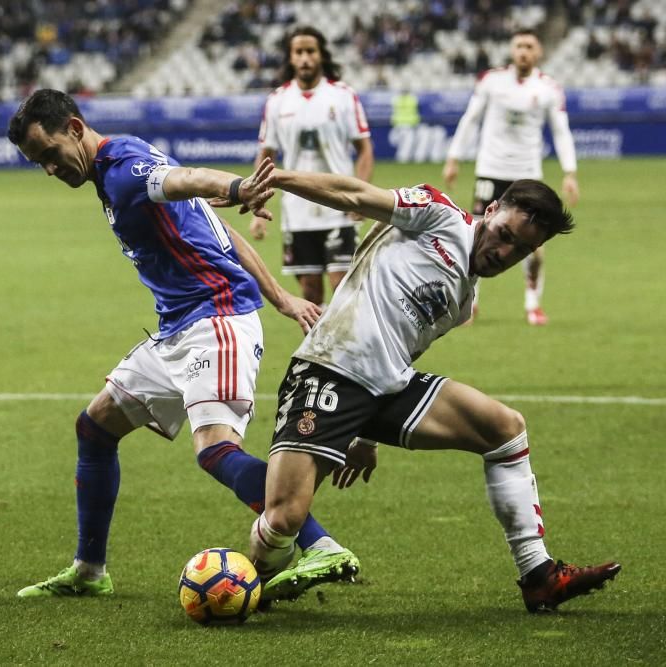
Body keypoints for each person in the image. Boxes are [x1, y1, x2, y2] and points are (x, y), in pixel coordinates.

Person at [5, 89, 360, 599]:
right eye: (38, 163)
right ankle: (89, 572)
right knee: (95, 428)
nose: (49, 170)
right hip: (177, 327)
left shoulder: (126, 169)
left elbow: (190, 179)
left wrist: (239, 187)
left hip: (215, 321)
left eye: (50, 155)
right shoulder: (116, 164)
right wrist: (281, 296)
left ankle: (321, 544)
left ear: (76, 129)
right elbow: (213, 227)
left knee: (215, 450)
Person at [244, 162, 621, 612]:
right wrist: (277, 180)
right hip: (328, 370)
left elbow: (408, 350)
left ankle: (538, 575)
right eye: (504, 234)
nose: (505, 252)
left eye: (521, 250)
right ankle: (254, 583)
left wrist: (364, 434)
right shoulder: (438, 214)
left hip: (388, 388)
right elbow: (352, 194)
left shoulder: (465, 299)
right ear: (492, 208)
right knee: (285, 515)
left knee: (505, 429)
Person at [443, 29, 579, 326]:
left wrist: (570, 172)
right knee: (477, 237)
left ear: (538, 52)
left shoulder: (548, 89)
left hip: (528, 175)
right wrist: (454, 157)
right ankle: (470, 302)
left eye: (529, 46)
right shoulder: (491, 81)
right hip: (490, 170)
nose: (523, 51)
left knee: (534, 248)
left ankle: (532, 303)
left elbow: (561, 131)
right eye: (519, 45)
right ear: (511, 49)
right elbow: (471, 119)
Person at [251, 25, 374, 307]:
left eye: (310, 51)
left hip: (338, 204)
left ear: (321, 56)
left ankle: (347, 349)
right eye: (299, 52)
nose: (305, 57)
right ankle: (316, 349)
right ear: (290, 58)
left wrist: (361, 196)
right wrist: (258, 208)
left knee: (342, 284)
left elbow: (364, 149)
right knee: (310, 291)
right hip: (298, 210)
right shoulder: (277, 101)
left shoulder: (343, 96)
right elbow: (266, 155)